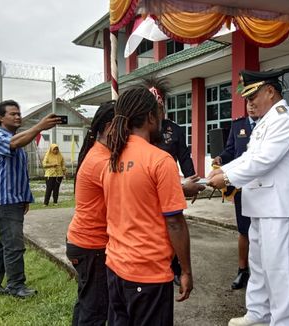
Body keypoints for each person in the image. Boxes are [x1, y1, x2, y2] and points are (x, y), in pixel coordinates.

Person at [208, 70, 289, 326]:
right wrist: (223, 171)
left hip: (279, 208)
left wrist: (226, 178)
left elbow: (264, 161)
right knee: (260, 266)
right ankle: (257, 315)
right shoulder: (266, 121)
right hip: (261, 206)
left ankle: (284, 321)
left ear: (271, 92)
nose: (250, 102)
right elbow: (248, 158)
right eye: (247, 97)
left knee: (281, 271)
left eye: (254, 96)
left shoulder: (284, 120)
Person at [102, 86, 193, 325]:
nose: (162, 118)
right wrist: (185, 271)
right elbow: (174, 222)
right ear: (151, 117)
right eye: (159, 113)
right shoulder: (160, 160)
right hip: (148, 274)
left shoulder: (111, 159)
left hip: (115, 267)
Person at [0, 100, 62, 298]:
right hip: (5, 202)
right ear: (1, 118)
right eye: (12, 114)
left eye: (19, 113)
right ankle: (16, 286)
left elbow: (19, 173)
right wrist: (40, 127)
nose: (18, 116)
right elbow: (15, 143)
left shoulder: (18, 137)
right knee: (14, 246)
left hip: (14, 201)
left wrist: (25, 199)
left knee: (4, 245)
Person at [141, 75, 203, 286]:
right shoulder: (143, 130)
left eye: (160, 106)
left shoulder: (174, 130)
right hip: (147, 188)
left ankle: (176, 268)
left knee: (174, 226)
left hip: (170, 186)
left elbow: (184, 156)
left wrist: (192, 181)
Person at [66, 101, 115, 325]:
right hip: (92, 246)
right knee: (95, 309)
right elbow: (132, 187)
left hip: (84, 243)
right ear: (109, 127)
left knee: (87, 302)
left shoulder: (98, 153)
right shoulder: (101, 160)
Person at [212, 103, 259, 290]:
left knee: (262, 232)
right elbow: (231, 151)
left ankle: (260, 272)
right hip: (242, 187)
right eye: (248, 103)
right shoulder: (238, 125)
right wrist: (221, 159)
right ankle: (243, 270)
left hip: (263, 187)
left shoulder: (268, 125)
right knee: (244, 230)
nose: (251, 107)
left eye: (255, 102)